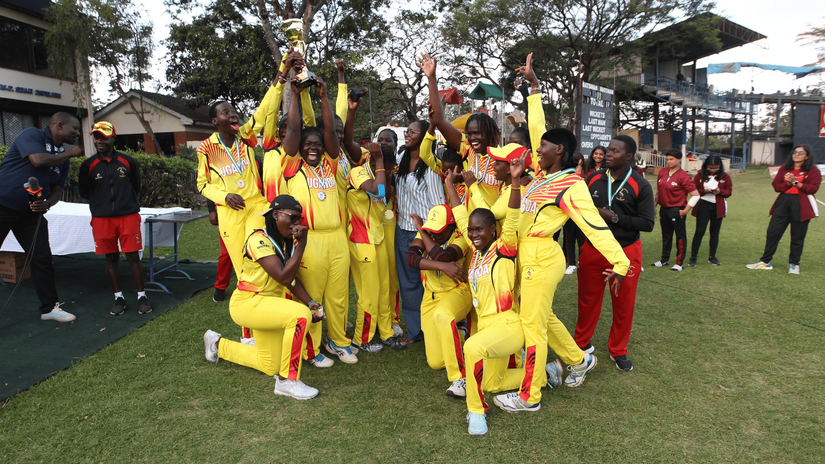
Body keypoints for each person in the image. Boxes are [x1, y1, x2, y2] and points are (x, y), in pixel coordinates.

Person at [494, 54, 629, 413]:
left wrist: (620, 260)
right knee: (543, 317)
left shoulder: (570, 185)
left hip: (541, 256)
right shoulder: (542, 176)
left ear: (560, 152)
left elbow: (594, 226)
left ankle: (529, 396)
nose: (536, 149)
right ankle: (579, 360)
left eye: (543, 148)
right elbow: (539, 131)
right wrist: (534, 90)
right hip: (526, 254)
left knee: (532, 326)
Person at [447, 155, 548, 436]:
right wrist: (449, 186)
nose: (474, 234)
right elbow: (460, 215)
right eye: (472, 231)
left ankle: (475, 412)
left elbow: (513, 215)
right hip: (487, 327)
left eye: (480, 229)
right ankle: (545, 372)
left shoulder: (504, 246)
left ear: (493, 228)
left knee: (471, 348)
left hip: (507, 324)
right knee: (492, 383)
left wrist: (515, 182)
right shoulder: (476, 251)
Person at [203, 195, 322, 400]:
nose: (297, 224)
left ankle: (216, 345)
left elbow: (291, 280)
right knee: (300, 316)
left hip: (266, 305)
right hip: (247, 303)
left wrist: (311, 303)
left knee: (270, 365)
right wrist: (302, 243)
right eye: (292, 217)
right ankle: (287, 381)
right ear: (275, 215)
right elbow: (285, 277)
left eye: (299, 219)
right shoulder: (258, 239)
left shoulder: (284, 242)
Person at [281, 74, 354, 366]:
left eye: (318, 143)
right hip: (309, 239)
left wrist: (324, 96)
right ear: (300, 147)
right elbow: (295, 128)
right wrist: (296, 95)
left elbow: (332, 135)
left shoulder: (331, 162)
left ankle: (339, 341)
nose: (313, 147)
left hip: (337, 237)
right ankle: (311, 350)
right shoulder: (291, 166)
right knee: (312, 296)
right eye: (308, 144)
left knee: (338, 296)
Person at [573, 135, 654, 372]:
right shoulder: (593, 178)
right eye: (608, 150)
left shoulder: (641, 184)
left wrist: (615, 218)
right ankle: (581, 343)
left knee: (623, 304)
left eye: (614, 151)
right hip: (594, 248)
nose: (608, 154)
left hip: (626, 250)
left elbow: (648, 223)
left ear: (628, 156)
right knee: (587, 300)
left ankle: (618, 350)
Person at [0, 112, 85, 322]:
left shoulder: (61, 158)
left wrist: (47, 203)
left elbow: (57, 189)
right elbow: (37, 161)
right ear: (57, 125)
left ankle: (49, 308)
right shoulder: (33, 134)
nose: (77, 133)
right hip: (2, 206)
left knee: (42, 259)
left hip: (30, 215)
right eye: (74, 128)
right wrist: (70, 154)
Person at [78, 121, 152, 316]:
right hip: (102, 219)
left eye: (104, 136)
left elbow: (136, 187)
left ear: (113, 138)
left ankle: (141, 296)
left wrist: (124, 203)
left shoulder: (128, 162)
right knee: (111, 258)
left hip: (128, 216)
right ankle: (118, 297)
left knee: (133, 257)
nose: (99, 141)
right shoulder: (88, 165)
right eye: (96, 137)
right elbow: (85, 192)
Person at [346, 141, 406, 352]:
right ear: (374, 160)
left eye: (391, 167)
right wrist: (380, 163)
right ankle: (361, 339)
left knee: (383, 287)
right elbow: (378, 192)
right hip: (361, 240)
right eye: (384, 166)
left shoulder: (383, 174)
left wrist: (386, 172)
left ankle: (386, 332)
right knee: (369, 293)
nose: (388, 171)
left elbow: (385, 199)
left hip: (377, 236)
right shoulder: (358, 173)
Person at [407, 203, 471, 398]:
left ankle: (460, 377)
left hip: (457, 292)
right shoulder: (425, 232)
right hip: (430, 297)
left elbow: (443, 254)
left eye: (439, 231)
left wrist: (424, 235)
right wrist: (442, 267)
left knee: (443, 315)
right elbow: (411, 259)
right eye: (430, 229)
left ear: (452, 226)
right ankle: (460, 333)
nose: (433, 234)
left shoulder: (460, 237)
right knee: (435, 362)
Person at [393, 119, 445, 344]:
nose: (408, 134)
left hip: (424, 233)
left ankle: (435, 327)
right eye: (407, 131)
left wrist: (428, 232)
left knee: (429, 282)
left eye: (412, 132)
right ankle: (416, 331)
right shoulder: (402, 159)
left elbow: (439, 204)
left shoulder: (430, 167)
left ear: (425, 136)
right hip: (402, 229)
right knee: (408, 283)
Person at [747, 145, 820, 274]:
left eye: (800, 153)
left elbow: (813, 188)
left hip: (801, 204)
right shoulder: (785, 169)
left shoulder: (813, 170)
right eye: (795, 152)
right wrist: (788, 183)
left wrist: (796, 182)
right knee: (773, 232)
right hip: (783, 202)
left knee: (797, 236)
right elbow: (776, 186)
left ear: (807, 156)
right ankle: (765, 262)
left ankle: (794, 264)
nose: (796, 154)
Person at [652, 148, 700, 272]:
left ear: (679, 160)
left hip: (677, 210)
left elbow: (696, 195)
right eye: (667, 159)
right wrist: (654, 206)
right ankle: (664, 260)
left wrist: (685, 211)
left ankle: (679, 263)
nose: (668, 162)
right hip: (664, 209)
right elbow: (659, 191)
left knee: (680, 236)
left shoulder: (683, 176)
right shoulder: (662, 172)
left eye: (671, 159)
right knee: (666, 235)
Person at [688, 155, 732, 267]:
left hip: (718, 206)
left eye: (716, 168)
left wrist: (719, 191)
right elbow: (694, 190)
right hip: (703, 205)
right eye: (710, 167)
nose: (713, 170)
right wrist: (705, 190)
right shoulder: (699, 175)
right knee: (699, 231)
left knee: (714, 233)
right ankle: (693, 257)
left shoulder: (725, 176)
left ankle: (712, 257)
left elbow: (728, 192)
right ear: (706, 166)